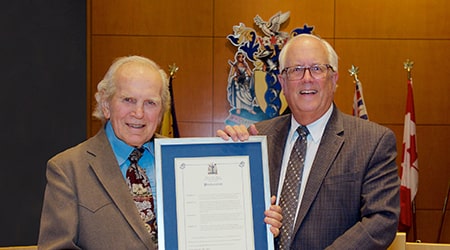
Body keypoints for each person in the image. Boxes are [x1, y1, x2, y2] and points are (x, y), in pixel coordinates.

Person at [38, 55, 282, 249]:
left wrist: (256, 217)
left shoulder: (186, 162)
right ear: (106, 105)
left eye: (150, 103)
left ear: (162, 110)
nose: (139, 113)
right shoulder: (69, 169)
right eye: (128, 100)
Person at [218, 34, 400, 250]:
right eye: (295, 70)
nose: (306, 78)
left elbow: (381, 220)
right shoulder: (258, 137)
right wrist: (228, 157)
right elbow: (232, 213)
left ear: (334, 79)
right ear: (282, 83)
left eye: (316, 69)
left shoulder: (372, 142)